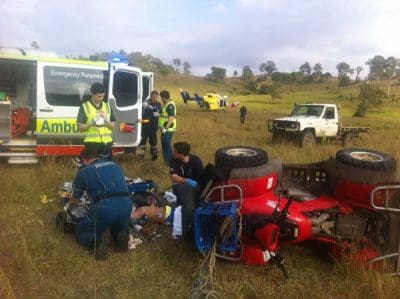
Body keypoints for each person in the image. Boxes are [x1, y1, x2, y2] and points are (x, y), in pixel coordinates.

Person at [70, 149, 132, 260]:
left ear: (84, 160)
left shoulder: (85, 171)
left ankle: (96, 244)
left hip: (106, 207)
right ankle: (121, 234)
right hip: (127, 205)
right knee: (118, 224)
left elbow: (75, 199)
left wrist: (71, 207)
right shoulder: (116, 165)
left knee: (82, 230)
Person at [169, 141, 204, 241]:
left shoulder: (195, 160)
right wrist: (187, 181)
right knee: (189, 206)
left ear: (182, 154)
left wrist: (197, 185)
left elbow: (202, 177)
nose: (173, 153)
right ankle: (189, 229)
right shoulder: (173, 160)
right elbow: (174, 177)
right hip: (180, 186)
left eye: (175, 152)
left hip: (195, 187)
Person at [77, 82, 115, 158]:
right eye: (99, 96)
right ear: (92, 94)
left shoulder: (107, 106)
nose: (101, 98)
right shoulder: (84, 107)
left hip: (106, 144)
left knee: (107, 167)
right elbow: (80, 128)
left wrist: (106, 121)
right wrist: (92, 122)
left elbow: (112, 127)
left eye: (103, 96)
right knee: (93, 168)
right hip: (92, 145)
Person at [137, 90, 162, 161]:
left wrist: (154, 113)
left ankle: (154, 157)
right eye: (153, 97)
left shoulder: (158, 104)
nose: (155, 98)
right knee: (142, 143)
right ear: (151, 96)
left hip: (153, 127)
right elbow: (140, 113)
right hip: (144, 126)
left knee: (153, 143)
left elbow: (160, 113)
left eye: (156, 97)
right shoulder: (145, 103)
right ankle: (140, 158)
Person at [159, 90, 176, 163]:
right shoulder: (167, 104)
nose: (161, 100)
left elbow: (171, 117)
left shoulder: (170, 105)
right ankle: (166, 160)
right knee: (165, 144)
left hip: (168, 129)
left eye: (161, 98)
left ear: (163, 97)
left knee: (166, 145)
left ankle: (169, 161)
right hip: (165, 129)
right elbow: (165, 115)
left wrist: (166, 128)